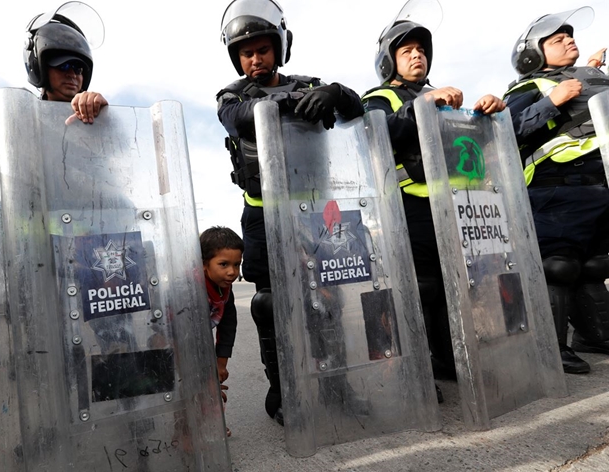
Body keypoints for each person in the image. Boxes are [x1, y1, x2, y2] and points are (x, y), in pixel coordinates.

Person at [216, 0, 364, 425]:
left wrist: (335, 92)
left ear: (279, 49)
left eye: (263, 49)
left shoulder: (312, 83)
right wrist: (290, 103)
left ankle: (339, 385)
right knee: (269, 304)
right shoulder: (233, 94)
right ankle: (283, 392)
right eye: (246, 53)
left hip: (317, 213)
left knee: (329, 297)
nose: (255, 59)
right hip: (264, 215)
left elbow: (356, 114)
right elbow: (239, 116)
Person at [361, 5, 506, 392]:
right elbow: (377, 134)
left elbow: (468, 146)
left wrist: (489, 113)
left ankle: (448, 360)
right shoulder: (379, 97)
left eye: (421, 50)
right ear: (388, 60)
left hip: (453, 206)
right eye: (406, 50)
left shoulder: (441, 97)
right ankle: (415, 370)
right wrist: (422, 104)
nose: (417, 55)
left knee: (452, 286)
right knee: (420, 288)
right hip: (408, 206)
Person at [503, 6, 609, 373]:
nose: (569, 41)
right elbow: (507, 130)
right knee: (558, 267)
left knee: (596, 265)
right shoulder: (529, 86)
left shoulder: (593, 77)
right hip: (555, 190)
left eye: (570, 36)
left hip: (599, 186)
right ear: (534, 51)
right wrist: (551, 101)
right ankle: (549, 346)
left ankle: (594, 336)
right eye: (558, 39)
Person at [0, 1, 107, 127]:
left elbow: (123, 164)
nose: (72, 74)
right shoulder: (12, 113)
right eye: (63, 65)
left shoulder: (92, 121)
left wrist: (106, 119)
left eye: (78, 68)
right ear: (40, 68)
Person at [200, 226, 244, 437]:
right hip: (172, 341)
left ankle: (211, 423)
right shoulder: (191, 287)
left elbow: (228, 324)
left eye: (237, 264)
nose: (232, 272)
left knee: (212, 384)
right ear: (203, 264)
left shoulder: (225, 287)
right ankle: (184, 433)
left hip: (199, 338)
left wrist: (220, 363)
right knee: (192, 387)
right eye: (223, 264)